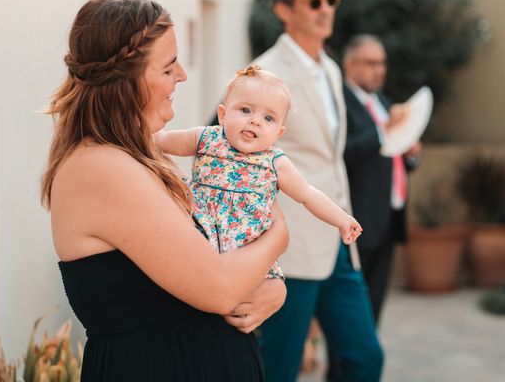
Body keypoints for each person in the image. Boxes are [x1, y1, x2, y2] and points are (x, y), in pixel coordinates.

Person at [41, 0, 289, 380]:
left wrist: (275, 288)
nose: (182, 76)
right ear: (128, 80)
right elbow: (221, 288)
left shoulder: (131, 157)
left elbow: (218, 261)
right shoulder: (101, 167)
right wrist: (280, 233)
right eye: (169, 67)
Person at [253, 0, 384, 382]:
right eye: (314, 2)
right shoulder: (265, 73)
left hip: (339, 243)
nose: (326, 8)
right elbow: (240, 151)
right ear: (284, 10)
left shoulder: (330, 69)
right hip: (289, 250)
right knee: (277, 369)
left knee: (365, 358)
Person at [155, 65, 362, 279]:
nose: (255, 121)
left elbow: (308, 195)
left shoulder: (275, 162)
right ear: (222, 115)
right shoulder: (205, 139)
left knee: (248, 297)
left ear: (278, 133)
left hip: (248, 253)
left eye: (269, 118)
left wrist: (342, 219)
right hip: (198, 236)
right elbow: (160, 140)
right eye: (245, 110)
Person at [342, 34, 421, 324]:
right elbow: (342, 154)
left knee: (373, 310)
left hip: (388, 218)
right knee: (352, 315)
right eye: (371, 63)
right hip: (357, 220)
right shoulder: (340, 102)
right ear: (350, 64)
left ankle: (363, 366)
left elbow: (392, 157)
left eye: (383, 63)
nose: (380, 69)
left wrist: (411, 154)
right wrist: (382, 131)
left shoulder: (383, 102)